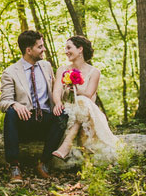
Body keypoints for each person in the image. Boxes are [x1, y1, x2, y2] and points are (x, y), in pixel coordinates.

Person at [0, 30, 67, 183]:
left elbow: (56, 93)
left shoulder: (46, 66)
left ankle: (43, 163)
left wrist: (67, 90)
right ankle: (14, 166)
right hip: (26, 122)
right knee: (10, 113)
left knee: (64, 114)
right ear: (28, 50)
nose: (44, 49)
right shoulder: (10, 72)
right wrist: (15, 104)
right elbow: (3, 102)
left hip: (45, 120)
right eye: (40, 47)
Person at [51, 35, 121, 164]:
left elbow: (89, 94)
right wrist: (58, 103)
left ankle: (66, 144)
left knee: (83, 100)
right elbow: (57, 91)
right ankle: (68, 144)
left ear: (80, 49)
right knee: (81, 103)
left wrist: (75, 89)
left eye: (69, 48)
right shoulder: (62, 69)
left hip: (86, 110)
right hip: (68, 108)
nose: (66, 51)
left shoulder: (94, 72)